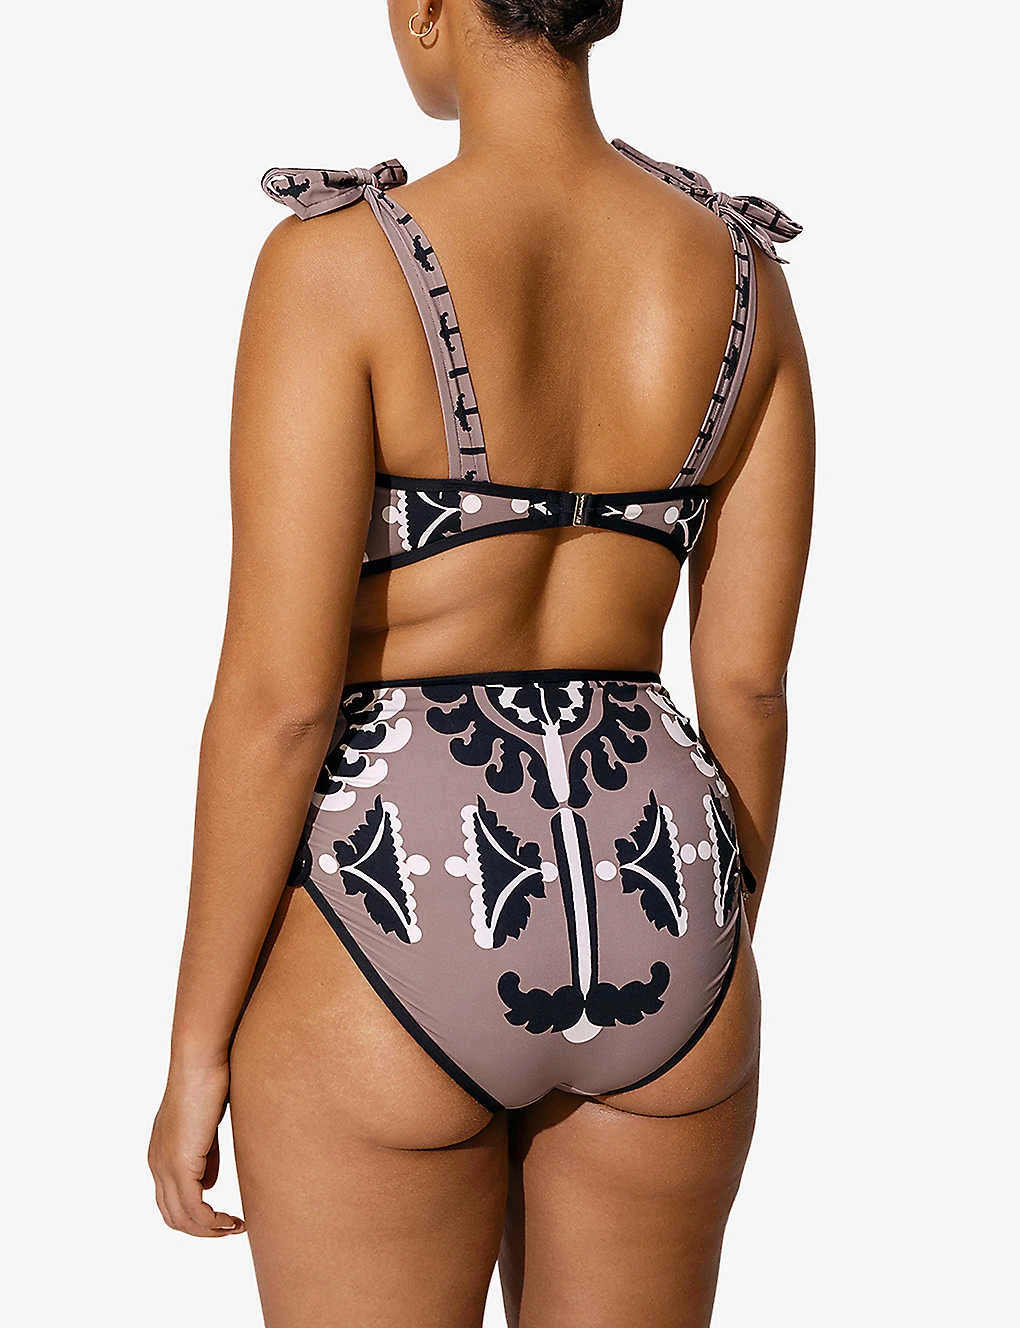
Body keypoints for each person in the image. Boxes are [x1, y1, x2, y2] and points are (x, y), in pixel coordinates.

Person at [148, 1, 814, 1323]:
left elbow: (280, 707)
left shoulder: (337, 266)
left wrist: (194, 1047)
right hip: (665, 880)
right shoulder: (742, 274)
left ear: (432, 9)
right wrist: (711, 945)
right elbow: (746, 686)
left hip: (392, 897)